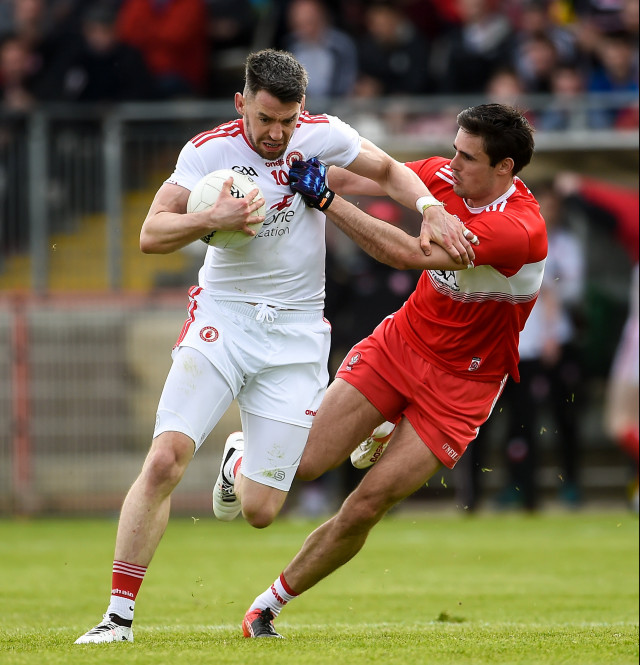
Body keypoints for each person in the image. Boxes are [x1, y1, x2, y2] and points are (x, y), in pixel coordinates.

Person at [73, 48, 475, 645]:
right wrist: (213, 219)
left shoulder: (320, 137)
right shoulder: (207, 152)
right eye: (265, 120)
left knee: (261, 511)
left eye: (288, 121)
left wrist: (430, 208)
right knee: (165, 460)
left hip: (294, 335)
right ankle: (117, 618)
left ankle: (239, 459)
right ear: (242, 105)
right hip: (223, 319)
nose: (277, 134)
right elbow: (151, 233)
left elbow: (390, 169)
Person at [240, 102, 547, 638]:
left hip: (464, 386)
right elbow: (366, 174)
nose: (452, 163)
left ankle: (267, 606)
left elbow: (405, 254)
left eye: (468, 157)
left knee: (366, 505)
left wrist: (326, 199)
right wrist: (286, 177)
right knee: (304, 465)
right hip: (403, 346)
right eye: (454, 148)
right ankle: (243, 452)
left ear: (505, 169)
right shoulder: (446, 177)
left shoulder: (517, 232)